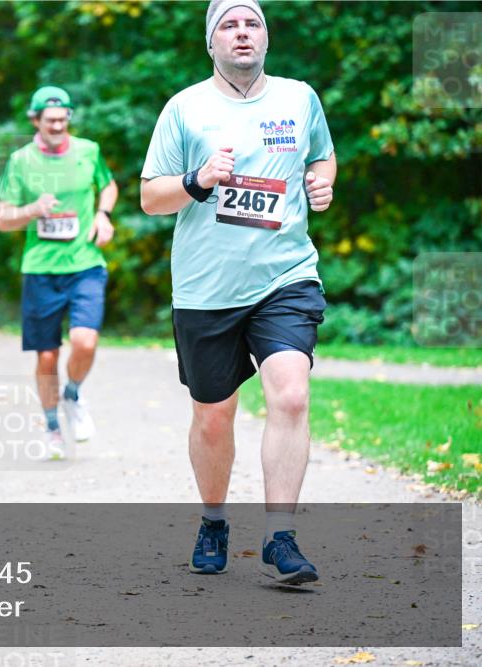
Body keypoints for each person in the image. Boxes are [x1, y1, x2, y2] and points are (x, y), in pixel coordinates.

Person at [140, 0, 336, 584]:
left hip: (285, 276)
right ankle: (214, 519)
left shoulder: (300, 98)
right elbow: (151, 197)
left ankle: (280, 537)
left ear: (266, 38)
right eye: (229, 25)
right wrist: (198, 181)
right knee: (213, 417)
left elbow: (323, 157)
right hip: (206, 288)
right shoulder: (185, 109)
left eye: (252, 24)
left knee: (291, 395)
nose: (242, 33)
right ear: (211, 42)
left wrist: (321, 184)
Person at [0, 85, 118, 457]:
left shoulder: (88, 151)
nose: (58, 126)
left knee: (86, 341)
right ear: (35, 120)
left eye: (63, 120)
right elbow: (3, 219)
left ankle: (73, 394)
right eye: (50, 121)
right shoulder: (20, 161)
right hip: (40, 269)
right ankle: (51, 426)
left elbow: (108, 186)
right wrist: (32, 210)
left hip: (85, 264)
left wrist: (103, 214)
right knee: (47, 356)